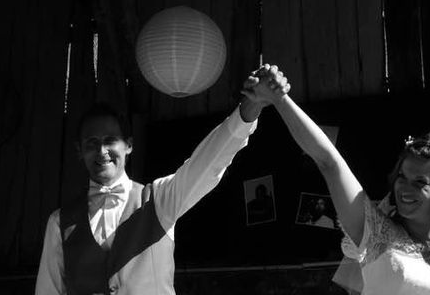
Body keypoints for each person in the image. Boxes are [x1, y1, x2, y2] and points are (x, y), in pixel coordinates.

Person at [243, 64, 430, 295]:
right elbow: (329, 162)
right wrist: (280, 99)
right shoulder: (376, 232)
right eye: (401, 177)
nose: (405, 188)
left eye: (420, 182)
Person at [35, 71, 289, 295]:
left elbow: (207, 163)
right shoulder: (59, 223)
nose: (101, 151)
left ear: (129, 145)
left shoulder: (158, 200)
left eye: (110, 140)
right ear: (79, 151)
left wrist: (248, 109)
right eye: (92, 143)